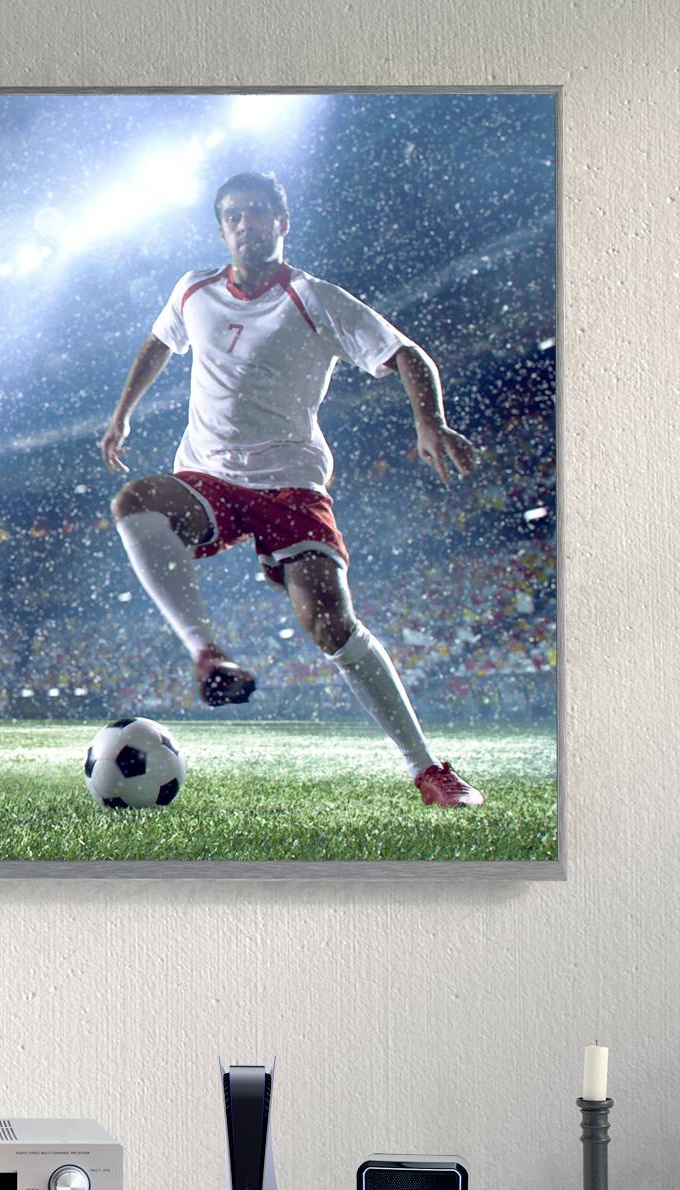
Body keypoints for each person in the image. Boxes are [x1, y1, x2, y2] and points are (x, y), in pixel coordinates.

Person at [100, 170, 484, 808]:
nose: (246, 226)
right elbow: (156, 342)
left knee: (331, 625)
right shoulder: (193, 290)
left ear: (283, 221)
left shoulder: (314, 297)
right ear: (223, 227)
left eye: (258, 213)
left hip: (290, 481)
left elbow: (407, 354)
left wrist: (429, 421)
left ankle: (427, 770)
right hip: (210, 475)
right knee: (134, 502)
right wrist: (122, 414)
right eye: (233, 217)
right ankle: (208, 654)